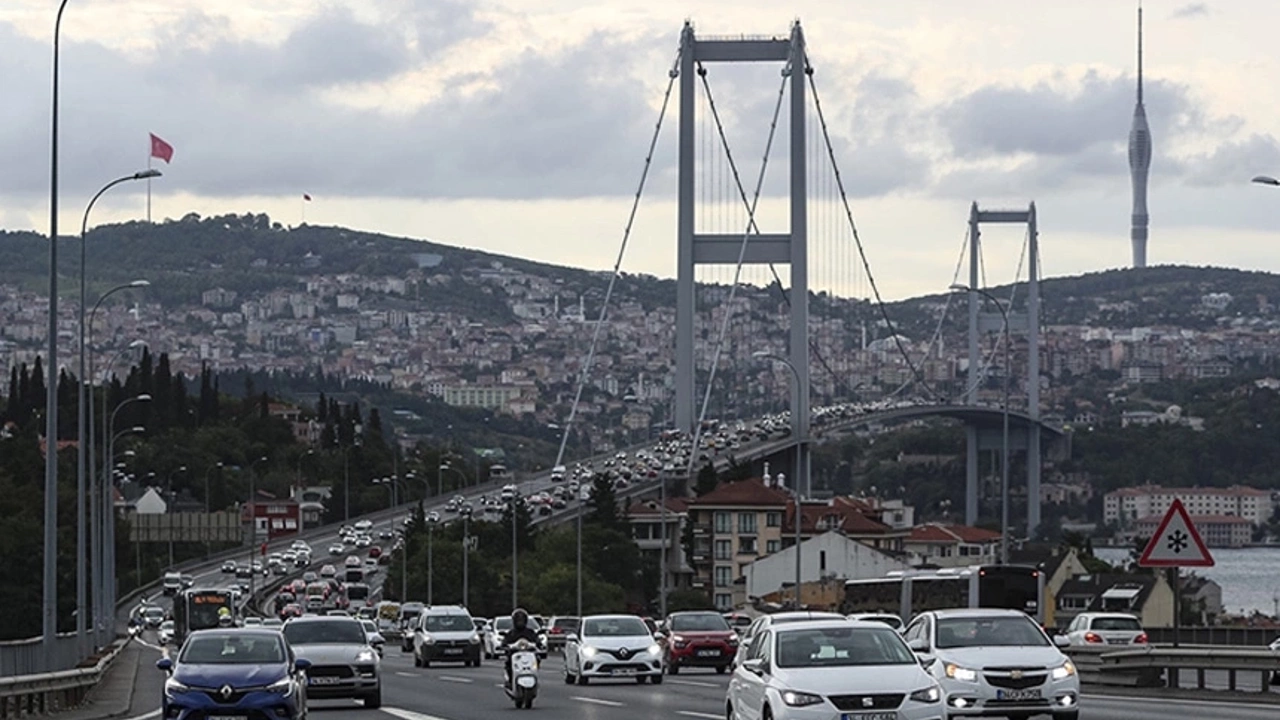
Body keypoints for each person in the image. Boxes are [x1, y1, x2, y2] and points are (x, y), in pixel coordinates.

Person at [501, 608, 540, 687]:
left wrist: (538, 644)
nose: (520, 622)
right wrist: (504, 646)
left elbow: (536, 640)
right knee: (508, 661)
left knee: (537, 658)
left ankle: (534, 675)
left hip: (528, 654)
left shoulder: (530, 632)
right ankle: (510, 679)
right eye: (518, 620)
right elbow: (505, 642)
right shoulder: (511, 633)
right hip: (515, 655)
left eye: (522, 620)